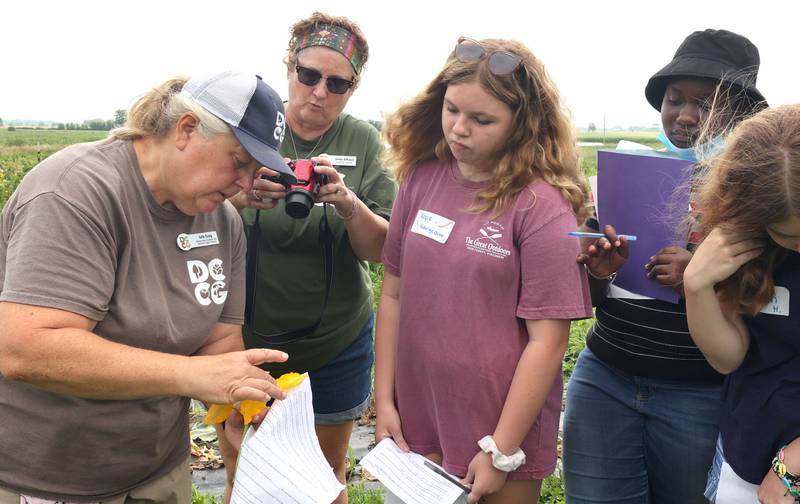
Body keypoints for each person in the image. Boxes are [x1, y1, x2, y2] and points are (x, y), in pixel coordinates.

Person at [0, 72, 292, 502]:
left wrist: (238, 402)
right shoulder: (76, 193)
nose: (247, 184)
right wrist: (191, 375)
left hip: (158, 470)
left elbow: (220, 339)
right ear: (186, 129)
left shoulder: (221, 219)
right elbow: (26, 348)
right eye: (240, 160)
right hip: (52, 478)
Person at [375, 37, 592, 504]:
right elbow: (393, 292)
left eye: (482, 120)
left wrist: (501, 450)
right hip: (416, 423)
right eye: (452, 110)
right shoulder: (421, 178)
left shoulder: (540, 205)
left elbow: (548, 341)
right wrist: (385, 401)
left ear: (522, 124)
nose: (458, 129)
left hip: (497, 433)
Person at [562, 29, 768, 504]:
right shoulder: (631, 172)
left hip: (700, 394)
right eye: (675, 99)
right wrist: (598, 270)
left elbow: (765, 301)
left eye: (708, 104)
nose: (686, 116)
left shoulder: (755, 193)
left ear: (742, 114)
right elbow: (592, 299)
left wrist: (700, 279)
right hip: (605, 376)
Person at [228, 12, 396, 502]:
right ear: (289, 68)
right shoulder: (249, 128)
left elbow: (382, 248)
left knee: (324, 476)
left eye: (337, 83)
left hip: (335, 340)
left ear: (353, 88)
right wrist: (239, 198)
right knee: (245, 469)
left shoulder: (362, 140)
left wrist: (347, 202)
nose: (319, 92)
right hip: (244, 337)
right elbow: (190, 211)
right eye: (308, 75)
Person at [683, 104, 800, 503]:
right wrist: (697, 285)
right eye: (787, 234)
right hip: (748, 453)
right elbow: (729, 358)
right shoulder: (750, 249)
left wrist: (794, 465)